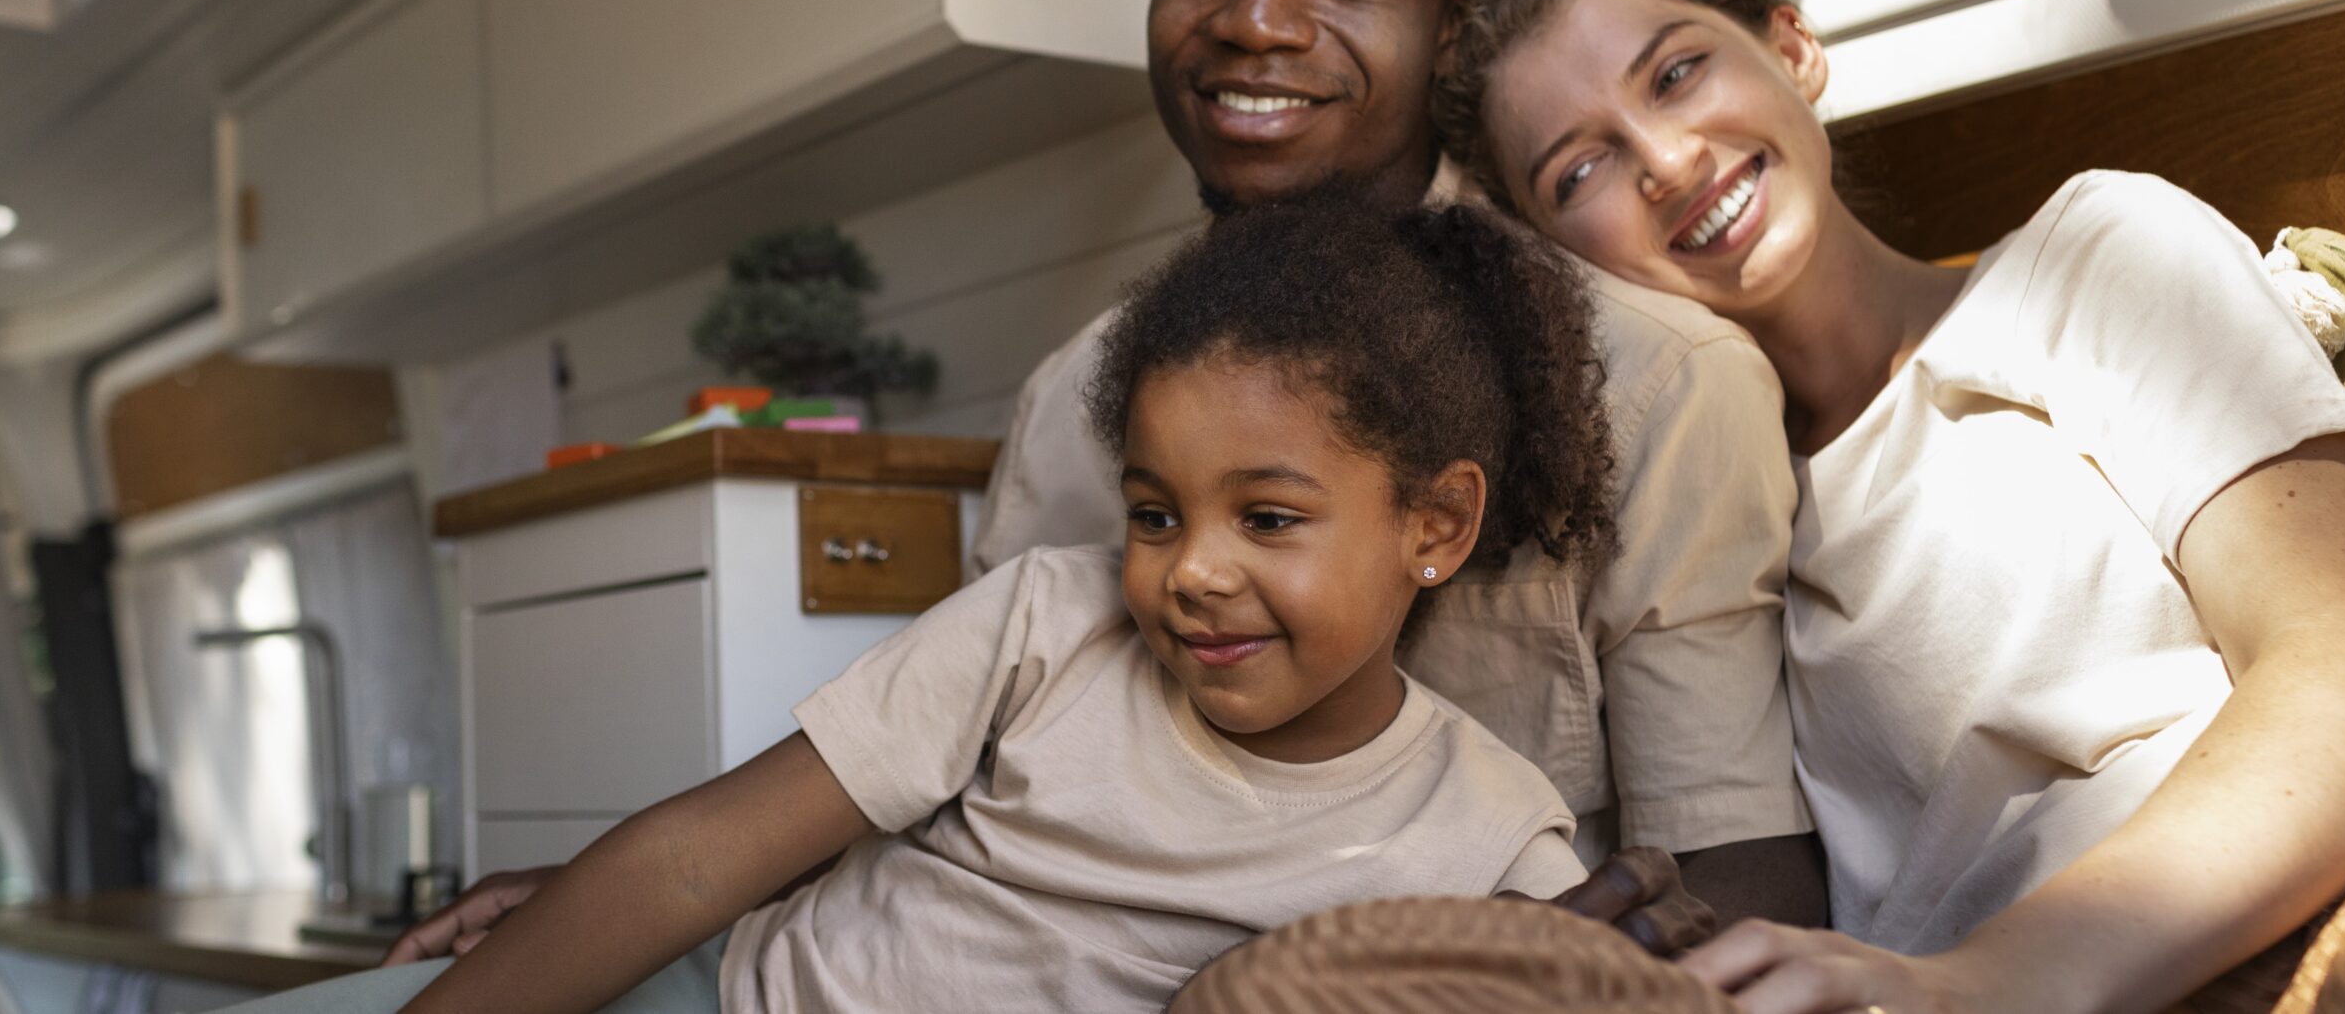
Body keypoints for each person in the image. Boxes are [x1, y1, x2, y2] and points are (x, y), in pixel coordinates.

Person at [392, 0, 1823, 964]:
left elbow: (1738, 886)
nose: (1252, 21)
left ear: (1449, 34)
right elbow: (948, 789)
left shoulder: (1654, 386)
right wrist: (624, 909)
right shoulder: (1070, 401)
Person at [237, 194, 1623, 1014]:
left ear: (1436, 525)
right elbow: (700, 859)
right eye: (1154, 513)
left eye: (1266, 518)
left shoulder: (1490, 828)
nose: (1190, 570)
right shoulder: (1047, 623)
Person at [1434, 0, 2345, 1013]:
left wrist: (1984, 980)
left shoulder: (2091, 260)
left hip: (2273, 949)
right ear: (1556, 268)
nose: (1664, 159)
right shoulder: (1696, 536)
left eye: (1676, 73)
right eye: (1577, 172)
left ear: (1792, 47)